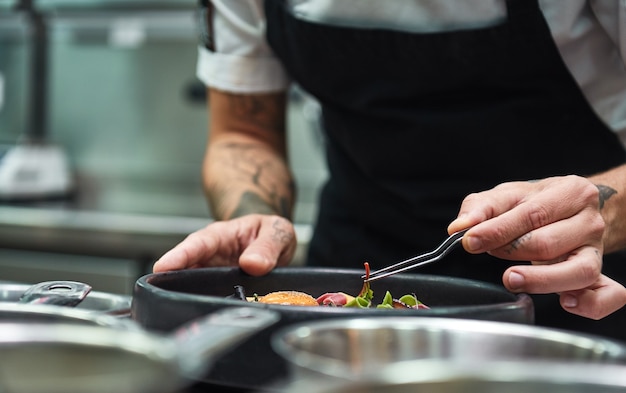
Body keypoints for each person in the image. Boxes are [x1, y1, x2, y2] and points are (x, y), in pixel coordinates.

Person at [154, 0, 626, 341]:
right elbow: (243, 132)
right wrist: (253, 213)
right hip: (354, 276)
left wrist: (603, 208)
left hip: (577, 283)